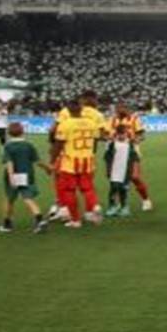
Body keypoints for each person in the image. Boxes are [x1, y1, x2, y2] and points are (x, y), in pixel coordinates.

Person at [53, 91, 107, 229]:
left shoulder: (65, 124)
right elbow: (100, 137)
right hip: (88, 160)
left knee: (69, 190)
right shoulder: (91, 123)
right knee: (87, 188)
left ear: (68, 109)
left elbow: (58, 144)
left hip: (70, 161)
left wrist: (52, 160)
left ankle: (75, 220)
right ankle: (95, 206)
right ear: (81, 108)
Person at [0, 123, 48, 234]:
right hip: (27, 175)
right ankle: (39, 219)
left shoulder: (8, 146)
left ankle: (7, 224)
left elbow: (9, 162)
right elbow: (37, 161)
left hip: (14, 175)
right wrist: (47, 168)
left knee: (9, 199)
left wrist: (11, 176)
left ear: (8, 133)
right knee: (28, 198)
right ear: (23, 132)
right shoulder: (28, 145)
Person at [106, 103, 151, 211]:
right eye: (118, 108)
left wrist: (136, 139)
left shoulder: (134, 119)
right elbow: (105, 134)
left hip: (132, 151)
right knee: (116, 180)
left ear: (127, 109)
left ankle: (146, 200)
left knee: (135, 177)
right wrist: (110, 138)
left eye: (123, 108)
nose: (120, 110)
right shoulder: (112, 120)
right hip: (116, 153)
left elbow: (142, 135)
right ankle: (117, 204)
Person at [101, 122, 139, 217]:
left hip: (126, 172)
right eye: (120, 133)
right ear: (116, 134)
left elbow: (135, 158)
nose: (122, 135)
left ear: (127, 134)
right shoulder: (112, 144)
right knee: (113, 188)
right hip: (115, 171)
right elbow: (107, 158)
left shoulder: (130, 144)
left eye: (124, 133)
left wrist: (135, 171)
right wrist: (108, 170)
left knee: (124, 189)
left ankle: (124, 207)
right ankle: (112, 206)